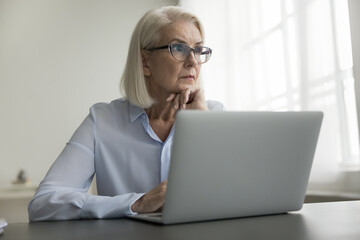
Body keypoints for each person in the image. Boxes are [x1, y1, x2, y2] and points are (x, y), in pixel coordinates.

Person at [28, 6, 224, 221]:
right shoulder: (102, 120)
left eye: (198, 50)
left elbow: (233, 196)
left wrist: (203, 126)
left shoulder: (212, 114)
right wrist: (138, 203)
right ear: (144, 62)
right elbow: (44, 203)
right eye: (178, 48)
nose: (193, 61)